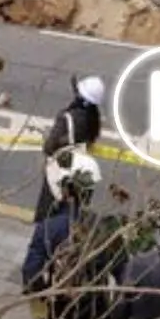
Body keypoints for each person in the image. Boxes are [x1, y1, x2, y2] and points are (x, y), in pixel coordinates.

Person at [21, 149, 130, 319]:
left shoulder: (48, 229)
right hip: (95, 301)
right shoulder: (105, 227)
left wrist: (43, 311)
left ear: (65, 190)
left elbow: (31, 275)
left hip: (60, 304)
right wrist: (119, 312)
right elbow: (125, 274)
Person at [33, 75, 105, 224]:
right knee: (74, 215)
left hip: (62, 170)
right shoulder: (93, 121)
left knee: (49, 216)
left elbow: (50, 147)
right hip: (82, 170)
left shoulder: (67, 118)